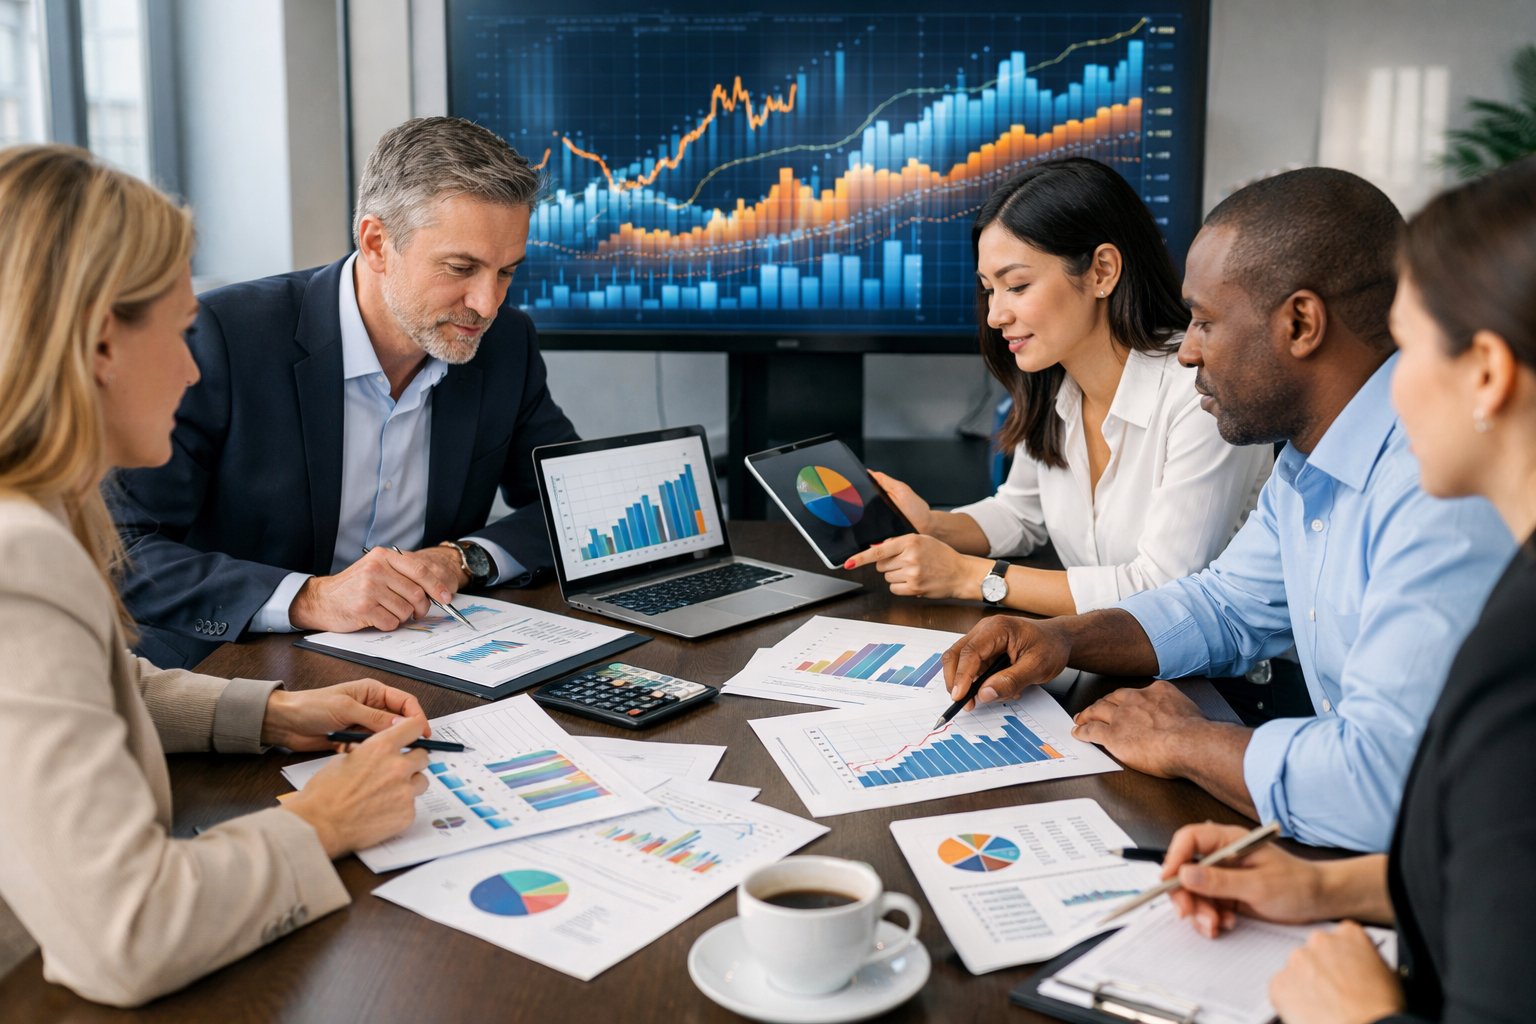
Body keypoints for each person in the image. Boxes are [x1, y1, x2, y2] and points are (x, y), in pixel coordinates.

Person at [939, 167, 1513, 851]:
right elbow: (1226, 604)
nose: (1185, 351)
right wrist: (1064, 637)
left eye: (1205, 322)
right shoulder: (1307, 459)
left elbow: (1379, 786)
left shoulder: (1439, 488)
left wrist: (1191, 743)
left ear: (1301, 323)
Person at [0, 144, 433, 1006]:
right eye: (177, 329)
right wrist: (323, 820)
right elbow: (128, 935)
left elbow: (78, 685)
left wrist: (267, 712)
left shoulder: (37, 512)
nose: (195, 368)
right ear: (97, 344)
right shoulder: (21, 556)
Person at [1158, 156, 1536, 1024]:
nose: (1385, 389)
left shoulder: (1517, 651)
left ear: (1484, 374)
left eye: (1408, 344)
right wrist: (1325, 885)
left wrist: (1364, 1016)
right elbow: (1492, 863)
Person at [110, 116, 580, 669]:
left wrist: (464, 558)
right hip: (241, 663)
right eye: (461, 268)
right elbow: (120, 548)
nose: (487, 304)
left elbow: (571, 502)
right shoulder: (224, 337)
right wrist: (309, 598)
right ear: (377, 243)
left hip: (434, 656)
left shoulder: (505, 344)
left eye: (506, 272)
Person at [847, 158, 1271, 616]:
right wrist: (931, 524)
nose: (995, 316)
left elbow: (1162, 588)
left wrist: (971, 577)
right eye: (989, 289)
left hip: (1210, 679)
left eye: (1018, 285)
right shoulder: (1054, 382)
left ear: (1102, 271)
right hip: (1105, 657)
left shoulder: (1200, 392)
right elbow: (1020, 515)